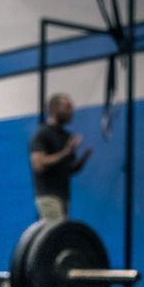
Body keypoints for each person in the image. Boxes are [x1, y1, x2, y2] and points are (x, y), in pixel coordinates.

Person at [29, 93, 92, 221]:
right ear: (55, 109)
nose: (71, 111)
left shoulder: (67, 137)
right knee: (57, 235)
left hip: (63, 197)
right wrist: (65, 152)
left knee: (61, 235)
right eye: (68, 107)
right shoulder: (42, 134)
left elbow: (69, 170)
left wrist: (83, 159)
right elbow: (38, 164)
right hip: (48, 197)